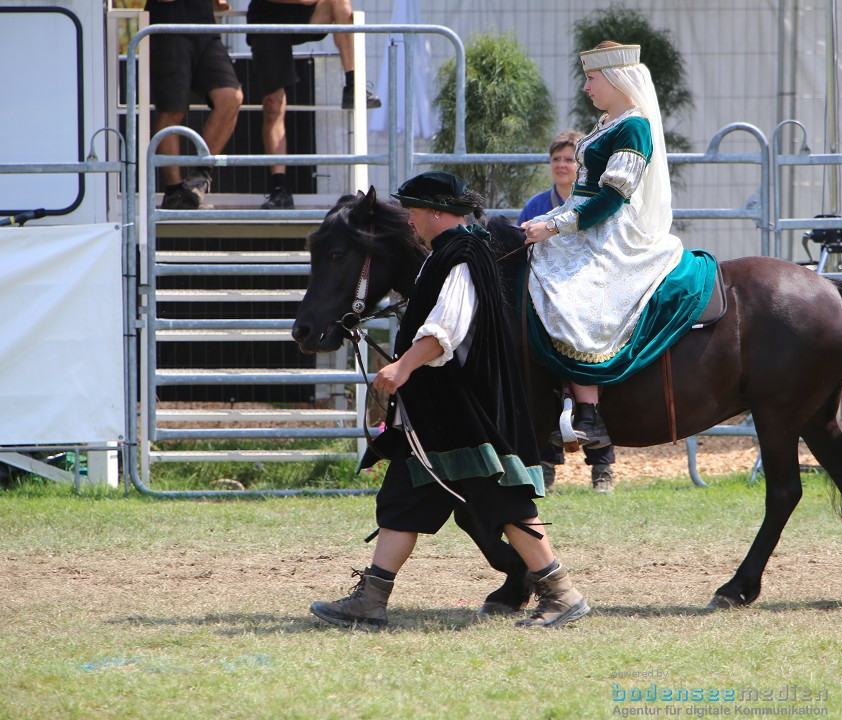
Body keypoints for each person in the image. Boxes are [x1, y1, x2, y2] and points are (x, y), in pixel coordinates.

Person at [309, 171, 590, 630]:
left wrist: (403, 367)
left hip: (462, 412)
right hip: (434, 413)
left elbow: (447, 329)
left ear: (437, 212)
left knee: (504, 503)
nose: (411, 220)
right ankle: (371, 599)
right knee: (403, 500)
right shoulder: (443, 254)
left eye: (415, 211)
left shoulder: (462, 256)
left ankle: (562, 593)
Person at [521, 42, 714, 454]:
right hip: (584, 221)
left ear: (615, 77)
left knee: (573, 297)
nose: (586, 86)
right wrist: (547, 223)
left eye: (591, 78)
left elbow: (612, 198)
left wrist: (554, 226)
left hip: (610, 231)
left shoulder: (634, 126)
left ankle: (589, 412)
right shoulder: (608, 122)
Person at [518, 129, 618, 494]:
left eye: (569, 159)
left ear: (581, 167)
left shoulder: (592, 200)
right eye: (556, 159)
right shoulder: (535, 206)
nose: (562, 165)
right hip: (547, 293)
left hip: (584, 291)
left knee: (591, 358)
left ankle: (602, 468)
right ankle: (545, 464)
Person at [246, 0, 381, 210]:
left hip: (302, 12)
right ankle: (280, 189)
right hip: (267, 18)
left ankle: (353, 84)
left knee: (340, 3)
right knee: (273, 105)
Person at [146, 0, 244, 209]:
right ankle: (174, 192)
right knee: (171, 111)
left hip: (205, 28)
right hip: (169, 25)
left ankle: (200, 176)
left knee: (231, 97)